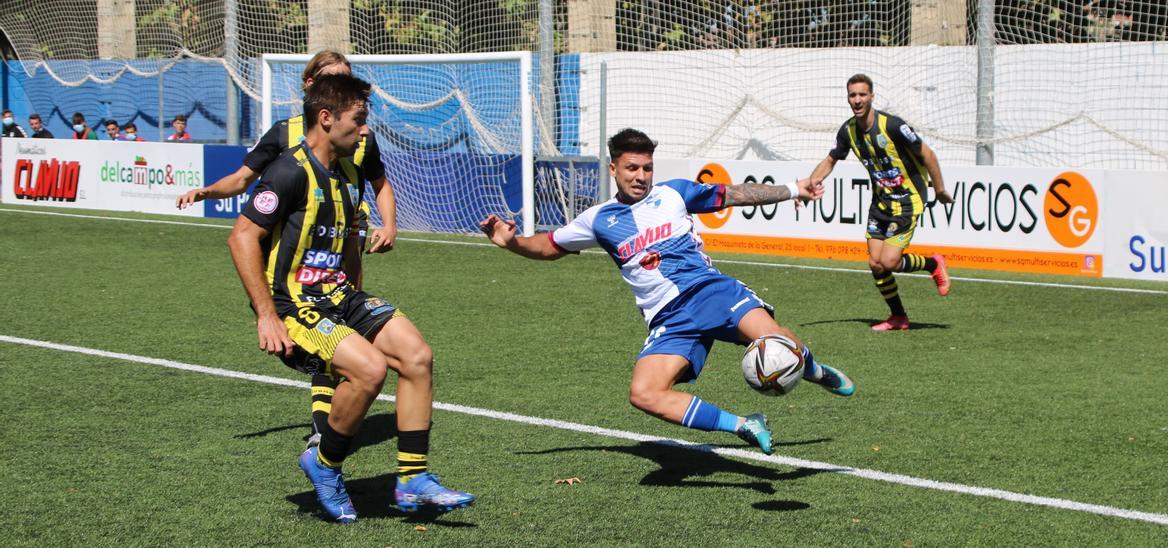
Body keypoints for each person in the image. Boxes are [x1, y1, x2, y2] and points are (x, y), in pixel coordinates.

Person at [480, 128, 856, 456]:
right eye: (631, 168)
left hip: (710, 292)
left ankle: (815, 370)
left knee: (776, 340)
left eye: (647, 168)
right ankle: (744, 424)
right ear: (613, 169)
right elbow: (548, 246)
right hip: (668, 319)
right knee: (644, 393)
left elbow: (735, 194)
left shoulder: (674, 194)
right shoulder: (598, 219)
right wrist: (511, 243)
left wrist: (793, 189)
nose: (641, 176)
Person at [227, 73, 473, 523]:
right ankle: (324, 464)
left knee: (417, 356)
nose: (365, 130)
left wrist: (359, 301)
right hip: (296, 307)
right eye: (358, 119)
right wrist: (266, 315)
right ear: (326, 118)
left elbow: (344, 247)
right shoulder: (287, 171)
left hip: (341, 296)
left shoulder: (349, 174)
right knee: (370, 369)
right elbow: (242, 237)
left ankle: (412, 478)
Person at [176, 50, 398, 452]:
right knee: (324, 334)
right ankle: (325, 432)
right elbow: (244, 179)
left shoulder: (360, 135)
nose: (343, 86)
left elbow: (379, 183)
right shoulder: (285, 135)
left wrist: (388, 225)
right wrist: (208, 191)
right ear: (312, 87)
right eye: (333, 78)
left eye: (347, 78)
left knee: (339, 333)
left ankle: (328, 428)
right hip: (294, 259)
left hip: (343, 247)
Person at [798, 74, 952, 332]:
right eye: (852, 95)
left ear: (871, 97)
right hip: (880, 203)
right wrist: (811, 183)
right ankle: (898, 317)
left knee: (890, 261)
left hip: (907, 200)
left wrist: (940, 189)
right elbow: (831, 160)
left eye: (862, 95)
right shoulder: (848, 131)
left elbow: (928, 154)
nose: (857, 100)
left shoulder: (892, 126)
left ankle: (933, 264)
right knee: (875, 263)